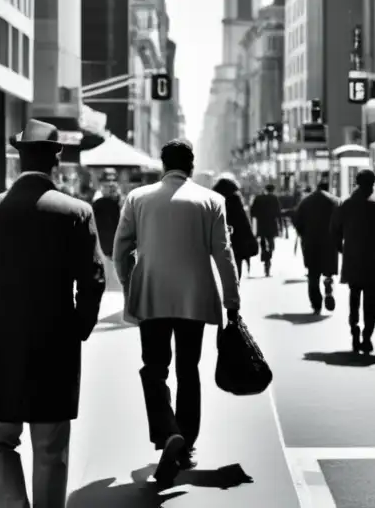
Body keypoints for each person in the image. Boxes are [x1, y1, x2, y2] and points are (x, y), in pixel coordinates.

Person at [0, 119, 107, 508]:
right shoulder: (76, 211)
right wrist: (76, 328)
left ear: (18, 160)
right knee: (51, 448)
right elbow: (94, 281)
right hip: (55, 340)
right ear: (57, 162)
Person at [113, 139, 240, 488]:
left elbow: (120, 248)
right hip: (194, 297)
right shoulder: (212, 201)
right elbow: (223, 253)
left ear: (162, 164)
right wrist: (232, 299)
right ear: (192, 166)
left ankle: (168, 432)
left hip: (151, 294)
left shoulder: (138, 199)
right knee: (188, 369)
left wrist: (129, 281)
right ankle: (186, 444)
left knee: (153, 367)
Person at [330, 168, 375, 354]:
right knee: (371, 297)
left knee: (354, 294)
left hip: (353, 255)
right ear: (374, 181)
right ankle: (367, 335)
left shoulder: (345, 203)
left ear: (356, 182)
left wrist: (342, 248)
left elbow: (334, 230)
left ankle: (354, 327)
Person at [292, 176, 341, 314]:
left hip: (311, 242)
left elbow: (297, 221)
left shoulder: (305, 202)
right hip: (329, 242)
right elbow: (341, 222)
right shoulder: (334, 201)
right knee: (328, 268)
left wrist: (303, 234)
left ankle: (316, 304)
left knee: (313, 275)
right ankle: (328, 282)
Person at [212, 173, 258, 279]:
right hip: (237, 241)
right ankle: (235, 287)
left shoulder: (213, 200)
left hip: (218, 241)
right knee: (236, 268)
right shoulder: (235, 200)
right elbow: (243, 221)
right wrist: (251, 239)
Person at [249, 184, 282, 277]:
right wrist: (281, 226)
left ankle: (265, 257)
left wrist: (253, 223)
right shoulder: (274, 198)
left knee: (263, 242)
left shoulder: (258, 198)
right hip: (271, 224)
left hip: (261, 224)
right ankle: (269, 258)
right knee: (271, 242)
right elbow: (278, 213)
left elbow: (252, 212)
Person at [92, 168, 123, 259]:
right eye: (108, 180)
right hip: (104, 246)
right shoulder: (98, 200)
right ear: (102, 183)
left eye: (113, 180)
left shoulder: (120, 199)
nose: (111, 183)